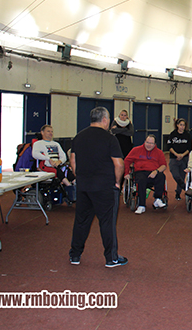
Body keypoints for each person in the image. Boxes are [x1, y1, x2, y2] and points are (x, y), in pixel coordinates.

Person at [69, 106, 127, 268]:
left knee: (81, 221)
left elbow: (73, 161)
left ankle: (75, 255)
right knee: (107, 222)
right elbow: (119, 164)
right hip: (104, 187)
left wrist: (80, 177)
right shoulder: (110, 138)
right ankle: (111, 258)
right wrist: (117, 182)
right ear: (105, 120)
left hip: (84, 186)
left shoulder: (78, 137)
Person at [123, 134, 168, 214]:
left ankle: (157, 199)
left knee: (161, 176)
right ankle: (142, 205)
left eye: (151, 143)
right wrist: (126, 173)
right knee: (141, 179)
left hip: (154, 172)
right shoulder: (136, 150)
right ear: (144, 142)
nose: (149, 145)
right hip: (140, 172)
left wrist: (156, 171)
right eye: (147, 142)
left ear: (155, 144)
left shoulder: (159, 152)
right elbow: (126, 161)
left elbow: (164, 165)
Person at [167, 118, 192, 201]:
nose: (182, 127)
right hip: (174, 158)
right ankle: (185, 187)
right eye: (180, 125)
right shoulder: (172, 134)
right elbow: (169, 147)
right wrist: (176, 154)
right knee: (176, 175)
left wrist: (182, 155)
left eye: (183, 125)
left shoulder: (187, 135)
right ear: (177, 125)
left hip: (184, 158)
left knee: (182, 175)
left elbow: (189, 148)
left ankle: (178, 193)